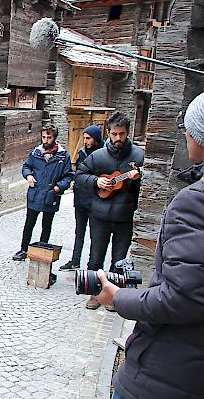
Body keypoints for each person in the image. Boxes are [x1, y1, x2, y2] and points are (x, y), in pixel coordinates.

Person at [96, 93, 204, 399]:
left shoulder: (195, 202)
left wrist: (120, 299)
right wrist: (96, 183)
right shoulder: (99, 155)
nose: (185, 134)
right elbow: (83, 175)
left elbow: (182, 298)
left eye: (190, 128)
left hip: (168, 373)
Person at [75, 111, 144, 310]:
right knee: (95, 258)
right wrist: (96, 181)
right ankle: (94, 295)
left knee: (119, 260)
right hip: (99, 216)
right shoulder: (98, 156)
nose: (118, 139)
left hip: (125, 217)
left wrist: (138, 180)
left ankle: (114, 298)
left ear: (128, 133)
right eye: (114, 134)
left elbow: (148, 189)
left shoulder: (139, 157)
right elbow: (79, 176)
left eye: (122, 134)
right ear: (109, 132)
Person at [12, 124, 74, 261]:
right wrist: (28, 176)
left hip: (51, 194)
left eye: (49, 137)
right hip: (35, 193)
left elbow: (69, 175)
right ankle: (24, 249)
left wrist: (59, 187)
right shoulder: (36, 153)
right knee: (29, 224)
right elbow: (27, 166)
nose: (45, 140)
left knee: (46, 225)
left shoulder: (63, 156)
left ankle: (41, 250)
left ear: (54, 138)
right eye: (44, 137)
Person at [59, 125, 103, 271]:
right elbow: (78, 172)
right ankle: (75, 260)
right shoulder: (82, 153)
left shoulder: (103, 155)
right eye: (84, 138)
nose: (85, 141)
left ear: (96, 139)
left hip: (95, 200)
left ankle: (93, 265)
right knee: (79, 232)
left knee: (95, 234)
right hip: (80, 199)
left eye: (88, 138)